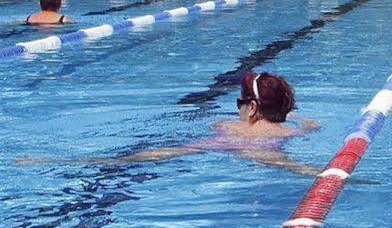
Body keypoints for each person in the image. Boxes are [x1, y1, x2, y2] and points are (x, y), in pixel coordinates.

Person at [121, 71, 320, 172]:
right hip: (268, 153)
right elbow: (312, 125)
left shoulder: (230, 128)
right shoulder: (287, 132)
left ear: (251, 107)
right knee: (302, 169)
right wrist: (292, 117)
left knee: (181, 150)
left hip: (235, 148)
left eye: (240, 102)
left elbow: (206, 131)